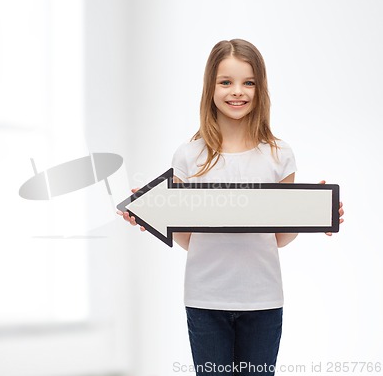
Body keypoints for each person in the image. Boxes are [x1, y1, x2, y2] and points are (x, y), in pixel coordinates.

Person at [116, 39, 344, 375]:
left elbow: (279, 237)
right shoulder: (188, 155)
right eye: (226, 82)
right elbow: (188, 237)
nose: (237, 92)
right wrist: (152, 215)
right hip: (205, 299)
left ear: (260, 88)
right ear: (211, 87)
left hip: (263, 299)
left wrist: (314, 212)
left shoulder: (279, 155)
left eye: (248, 82)